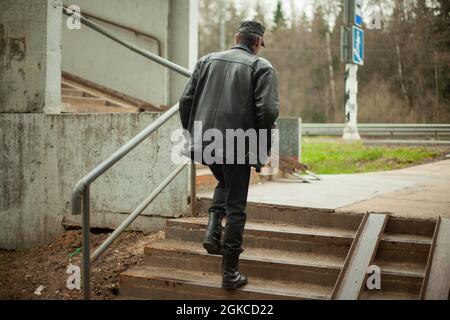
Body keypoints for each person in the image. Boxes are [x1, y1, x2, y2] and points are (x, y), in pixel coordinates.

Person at [179, 21, 279, 290]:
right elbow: (268, 112)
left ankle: (213, 230)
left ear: (237, 38)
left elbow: (185, 101)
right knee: (236, 206)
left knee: (224, 184)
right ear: (257, 43)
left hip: (206, 141)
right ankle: (230, 273)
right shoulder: (261, 67)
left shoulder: (206, 60)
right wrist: (261, 145)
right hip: (238, 144)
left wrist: (192, 134)